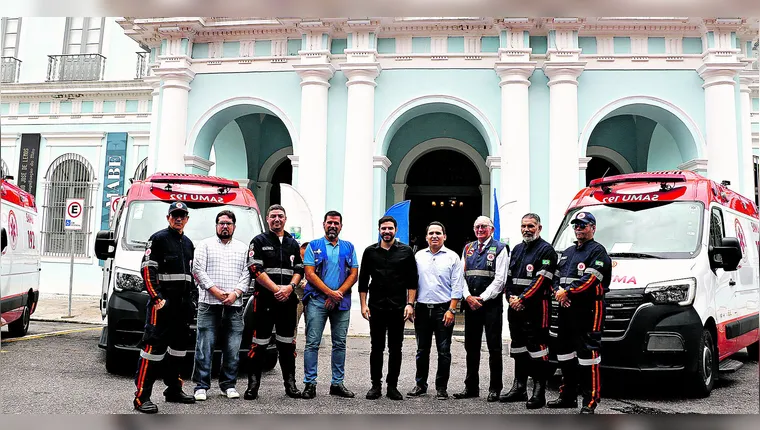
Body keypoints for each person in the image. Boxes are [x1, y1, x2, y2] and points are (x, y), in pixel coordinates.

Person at [132, 201, 196, 414]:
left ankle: (173, 390)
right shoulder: (158, 239)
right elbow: (147, 271)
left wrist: (192, 301)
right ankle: (142, 397)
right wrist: (157, 298)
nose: (178, 218)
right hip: (162, 308)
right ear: (168, 217)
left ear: (187, 218)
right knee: (152, 352)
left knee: (178, 352)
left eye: (182, 215)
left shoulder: (188, 243)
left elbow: (190, 277)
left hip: (182, 309)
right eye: (174, 215)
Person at [548, 211, 611, 414]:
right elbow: (556, 277)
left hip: (588, 310)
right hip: (566, 309)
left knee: (588, 356)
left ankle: (589, 402)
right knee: (564, 354)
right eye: (575, 225)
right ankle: (567, 397)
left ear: (593, 228)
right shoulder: (567, 252)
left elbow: (591, 280)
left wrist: (567, 293)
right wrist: (559, 292)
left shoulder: (598, 252)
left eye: (583, 225)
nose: (578, 229)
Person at [244, 204, 304, 400]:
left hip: (287, 300)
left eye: (280, 216)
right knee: (259, 344)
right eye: (273, 216)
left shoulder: (292, 243)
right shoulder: (258, 241)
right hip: (264, 301)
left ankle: (291, 385)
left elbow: (299, 270)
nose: (276, 219)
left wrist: (289, 288)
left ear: (285, 219)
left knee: (287, 344)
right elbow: (255, 270)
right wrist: (276, 289)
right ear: (267, 219)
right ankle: (253, 385)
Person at [190, 210, 250, 401]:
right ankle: (201, 386)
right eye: (221, 223)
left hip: (235, 304)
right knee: (204, 346)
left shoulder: (243, 248)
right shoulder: (204, 245)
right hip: (208, 303)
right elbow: (197, 270)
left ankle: (228, 385)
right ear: (216, 225)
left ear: (234, 226)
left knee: (232, 348)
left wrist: (235, 293)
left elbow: (247, 273)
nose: (225, 226)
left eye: (228, 223)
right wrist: (214, 290)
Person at [500, 213, 558, 409]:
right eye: (524, 226)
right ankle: (519, 387)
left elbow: (542, 280)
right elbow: (509, 278)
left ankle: (538, 392)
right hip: (516, 308)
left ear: (539, 228)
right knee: (518, 347)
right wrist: (510, 298)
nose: (527, 229)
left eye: (531, 226)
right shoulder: (516, 249)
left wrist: (522, 299)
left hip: (536, 309)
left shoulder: (547, 250)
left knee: (538, 349)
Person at [359, 216, 418, 401]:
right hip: (375, 307)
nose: (387, 231)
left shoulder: (406, 251)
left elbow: (412, 280)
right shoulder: (370, 252)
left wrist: (410, 304)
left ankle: (392, 386)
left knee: (396, 348)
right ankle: (375, 385)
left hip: (398, 308)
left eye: (390, 228)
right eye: (384, 228)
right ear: (379, 230)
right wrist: (363, 305)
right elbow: (363, 281)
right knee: (376, 348)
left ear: (396, 230)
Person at [301, 210, 359, 399]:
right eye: (329, 223)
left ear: (341, 226)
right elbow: (309, 274)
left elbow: (354, 274)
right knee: (312, 343)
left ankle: (337, 383)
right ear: (323, 224)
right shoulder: (314, 246)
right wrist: (329, 293)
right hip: (317, 301)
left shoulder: (349, 247)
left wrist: (338, 293)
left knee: (340, 344)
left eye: (336, 223)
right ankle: (310, 384)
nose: (333, 226)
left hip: (341, 302)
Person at [453, 216, 508, 402]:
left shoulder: (500, 249)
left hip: (491, 305)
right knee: (471, 347)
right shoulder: (468, 249)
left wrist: (481, 298)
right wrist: (467, 297)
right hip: (471, 305)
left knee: (494, 347)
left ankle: (495, 388)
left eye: (484, 226)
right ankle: (471, 387)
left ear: (491, 229)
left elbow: (500, 280)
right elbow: (461, 276)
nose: (480, 229)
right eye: (477, 226)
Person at [407, 221, 464, 400]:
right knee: (422, 350)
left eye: (438, 233)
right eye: (431, 233)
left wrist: (452, 310)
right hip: (422, 309)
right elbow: (412, 282)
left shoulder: (453, 257)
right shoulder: (418, 256)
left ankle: (441, 387)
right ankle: (420, 385)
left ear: (444, 236)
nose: (434, 236)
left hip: (443, 310)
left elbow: (457, 285)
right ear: (426, 237)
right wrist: (411, 304)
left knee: (444, 351)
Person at [295, 241, 309, 336]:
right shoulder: (295, 260)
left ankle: (311, 345)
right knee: (293, 323)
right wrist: (301, 283)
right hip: (297, 296)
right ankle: (292, 344)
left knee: (311, 324)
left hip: (310, 297)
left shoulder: (314, 261)